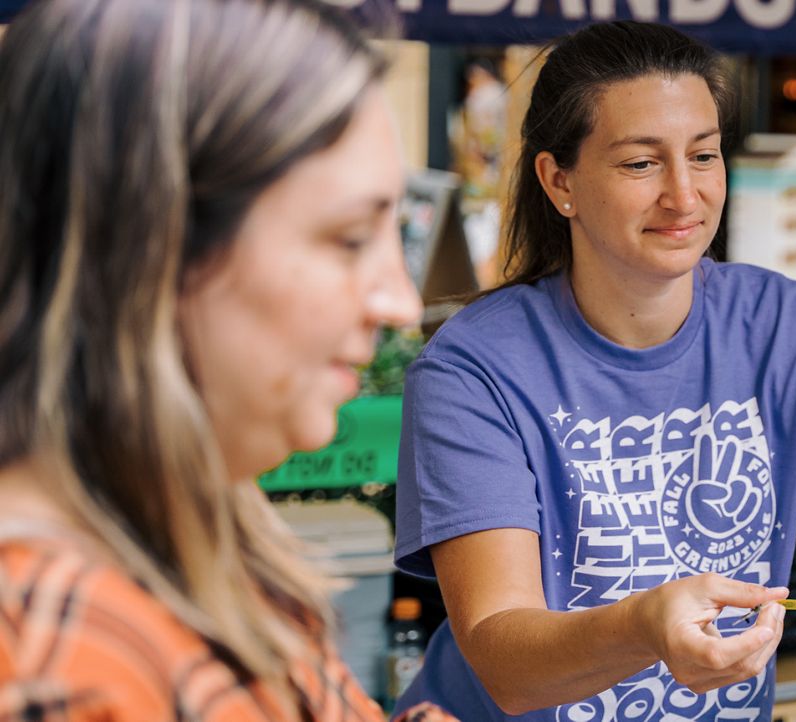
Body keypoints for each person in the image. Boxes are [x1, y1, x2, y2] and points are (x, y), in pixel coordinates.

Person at [394, 20, 796, 721]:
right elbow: (507, 666)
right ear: (559, 180)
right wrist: (640, 626)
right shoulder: (474, 368)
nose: (684, 196)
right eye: (640, 163)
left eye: (704, 156)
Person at [0, 1, 455, 720]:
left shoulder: (198, 531)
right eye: (348, 239)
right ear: (154, 252)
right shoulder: (55, 654)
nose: (399, 301)